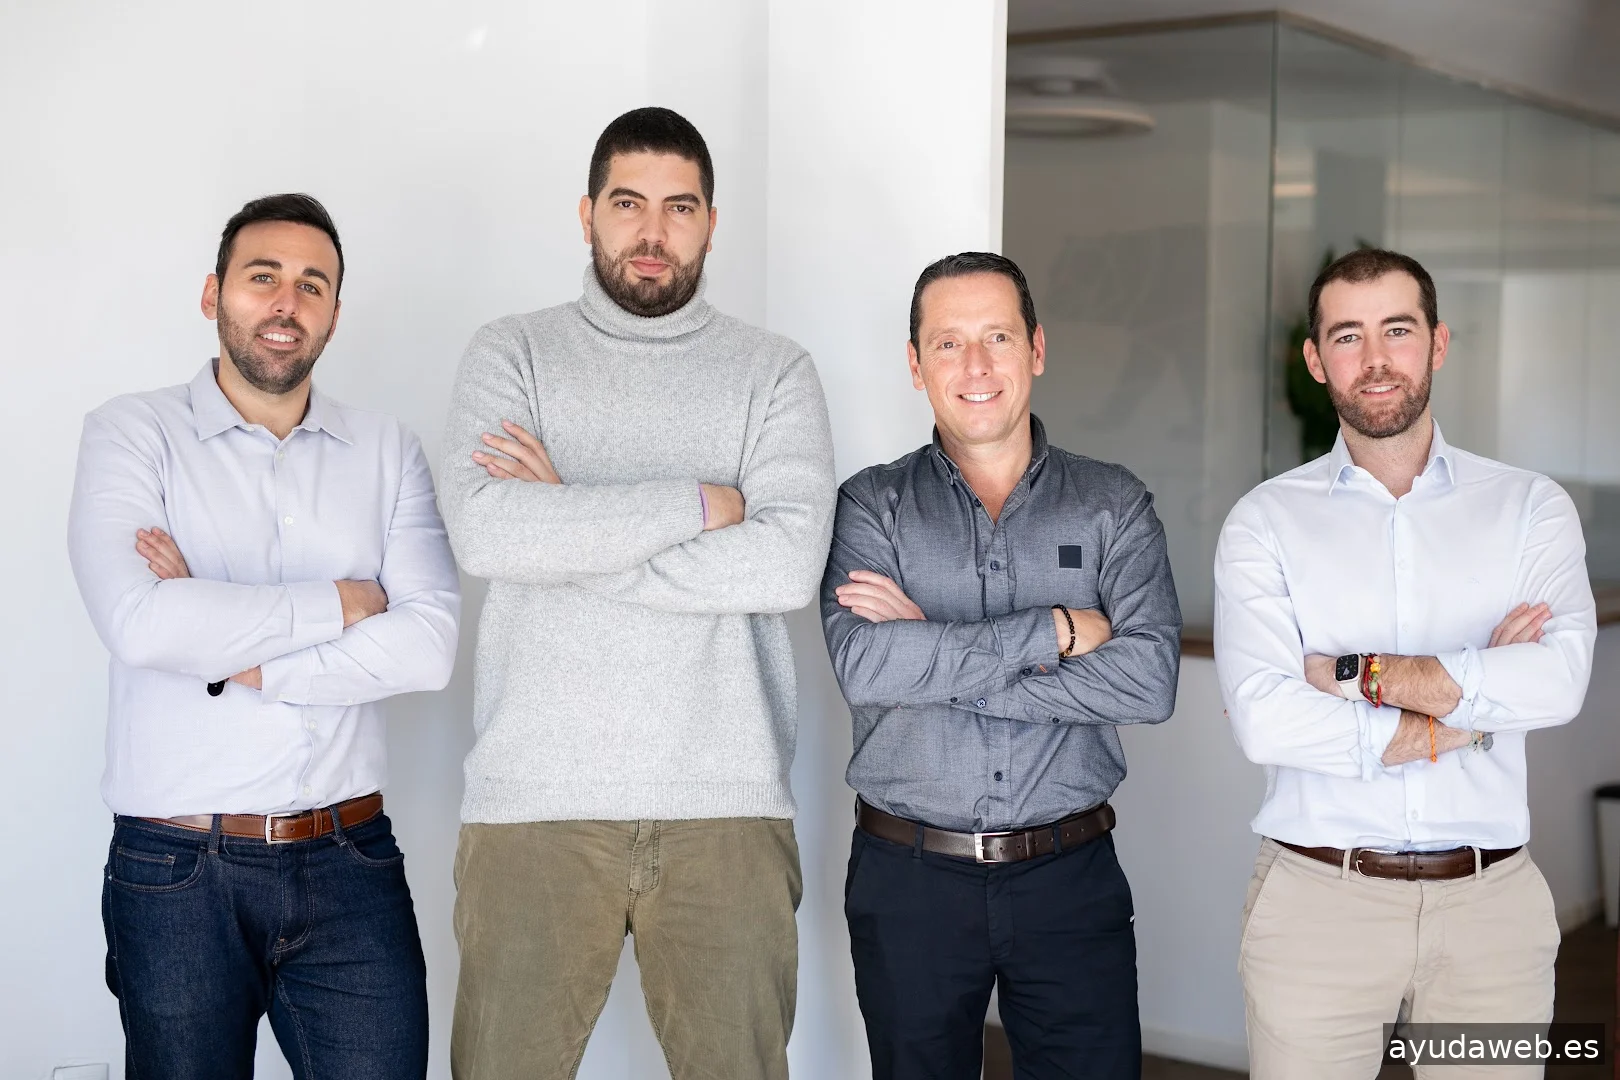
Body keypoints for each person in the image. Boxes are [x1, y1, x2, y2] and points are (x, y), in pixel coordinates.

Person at [439, 106, 836, 1080]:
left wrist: (566, 521)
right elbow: (490, 533)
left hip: (725, 804)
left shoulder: (773, 372)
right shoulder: (512, 353)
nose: (652, 232)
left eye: (679, 208)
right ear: (587, 214)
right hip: (534, 803)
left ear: (711, 224)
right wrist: (700, 504)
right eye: (627, 204)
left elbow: (783, 568)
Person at [67, 192, 461, 1079]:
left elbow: (429, 647)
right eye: (263, 277)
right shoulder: (132, 433)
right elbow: (140, 623)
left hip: (350, 859)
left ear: (333, 314)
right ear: (214, 294)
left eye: (311, 285)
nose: (287, 303)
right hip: (176, 868)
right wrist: (345, 601)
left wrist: (230, 653)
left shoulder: (388, 450)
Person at [1214, 248, 1597, 1079]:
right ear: (1317, 360)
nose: (1376, 358)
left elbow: (1558, 682)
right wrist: (1476, 706)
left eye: (1397, 330)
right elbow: (1266, 722)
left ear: (1437, 343)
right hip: (1319, 907)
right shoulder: (1264, 522)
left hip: (1491, 914)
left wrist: (1352, 675)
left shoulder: (1529, 507)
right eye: (1347, 336)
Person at [820, 251, 1182, 1080]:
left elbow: (1148, 681)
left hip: (1069, 877)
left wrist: (933, 654)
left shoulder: (1112, 504)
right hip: (908, 881)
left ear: (1037, 349)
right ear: (916, 364)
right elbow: (867, 669)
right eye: (948, 343)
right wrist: (1054, 630)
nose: (975, 366)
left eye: (998, 337)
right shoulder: (871, 506)